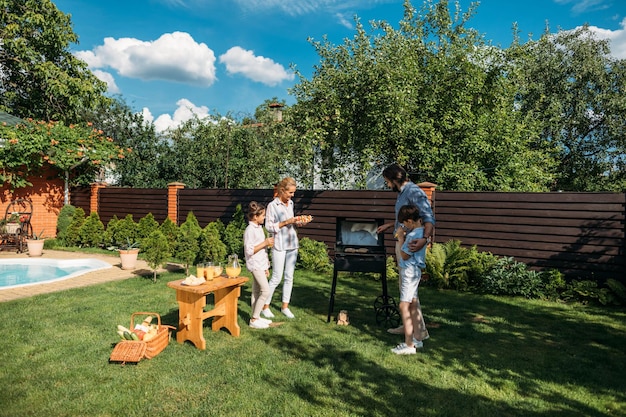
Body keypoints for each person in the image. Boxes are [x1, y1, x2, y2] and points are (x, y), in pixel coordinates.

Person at [377, 163, 435, 342]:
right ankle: (412, 327)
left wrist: (424, 239)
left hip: (409, 246)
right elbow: (405, 220)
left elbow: (428, 218)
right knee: (408, 291)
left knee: (409, 293)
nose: (387, 185)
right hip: (404, 242)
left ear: (395, 179)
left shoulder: (414, 192)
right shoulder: (403, 193)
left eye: (387, 181)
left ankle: (417, 333)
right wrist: (390, 225)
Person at [262, 177, 303, 319]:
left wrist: (298, 222)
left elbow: (291, 223)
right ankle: (265, 306)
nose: (292, 195)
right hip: (279, 244)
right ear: (282, 190)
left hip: (292, 243)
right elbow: (268, 226)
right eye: (290, 192)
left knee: (289, 277)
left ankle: (285, 306)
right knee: (276, 277)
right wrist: (286, 222)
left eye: (293, 193)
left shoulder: (290, 203)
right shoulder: (272, 206)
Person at [390, 205, 428, 354]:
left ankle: (409, 345)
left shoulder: (412, 236)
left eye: (405, 223)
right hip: (415, 271)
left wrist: (400, 237)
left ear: (410, 221)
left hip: (408, 272)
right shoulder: (422, 233)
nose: (404, 226)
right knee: (412, 303)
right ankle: (417, 339)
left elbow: (405, 255)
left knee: (404, 306)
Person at [243, 201, 275, 329]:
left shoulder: (259, 228)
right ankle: (254, 319)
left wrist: (266, 266)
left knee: (256, 291)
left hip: (261, 264)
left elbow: (263, 251)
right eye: (263, 215)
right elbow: (249, 250)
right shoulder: (250, 230)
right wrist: (265, 242)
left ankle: (256, 317)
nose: (265, 217)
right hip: (254, 264)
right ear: (255, 217)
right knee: (265, 290)